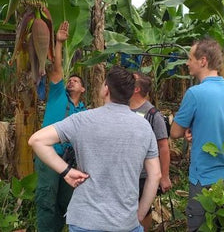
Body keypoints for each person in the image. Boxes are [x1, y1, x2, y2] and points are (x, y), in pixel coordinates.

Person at [28, 66, 162, 232]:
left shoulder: (82, 119)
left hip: (85, 220)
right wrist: (140, 215)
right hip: (126, 222)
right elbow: (155, 175)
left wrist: (66, 171)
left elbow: (37, 141)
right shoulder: (144, 126)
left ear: (106, 89)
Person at [170, 38, 224, 231]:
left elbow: (175, 132)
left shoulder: (195, 93)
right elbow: (223, 124)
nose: (187, 63)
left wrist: (188, 128)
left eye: (190, 58)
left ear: (203, 61)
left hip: (205, 178)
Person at [34, 21, 87, 232]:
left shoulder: (84, 112)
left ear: (83, 89)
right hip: (49, 157)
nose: (72, 82)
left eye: (76, 81)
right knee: (46, 200)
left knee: (67, 202)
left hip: (70, 162)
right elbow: (56, 69)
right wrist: (58, 42)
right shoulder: (57, 95)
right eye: (70, 79)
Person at [130, 71, 172, 231]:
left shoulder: (153, 114)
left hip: (144, 175)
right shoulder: (122, 109)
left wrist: (164, 176)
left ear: (136, 89)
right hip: (126, 172)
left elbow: (163, 147)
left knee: (143, 211)